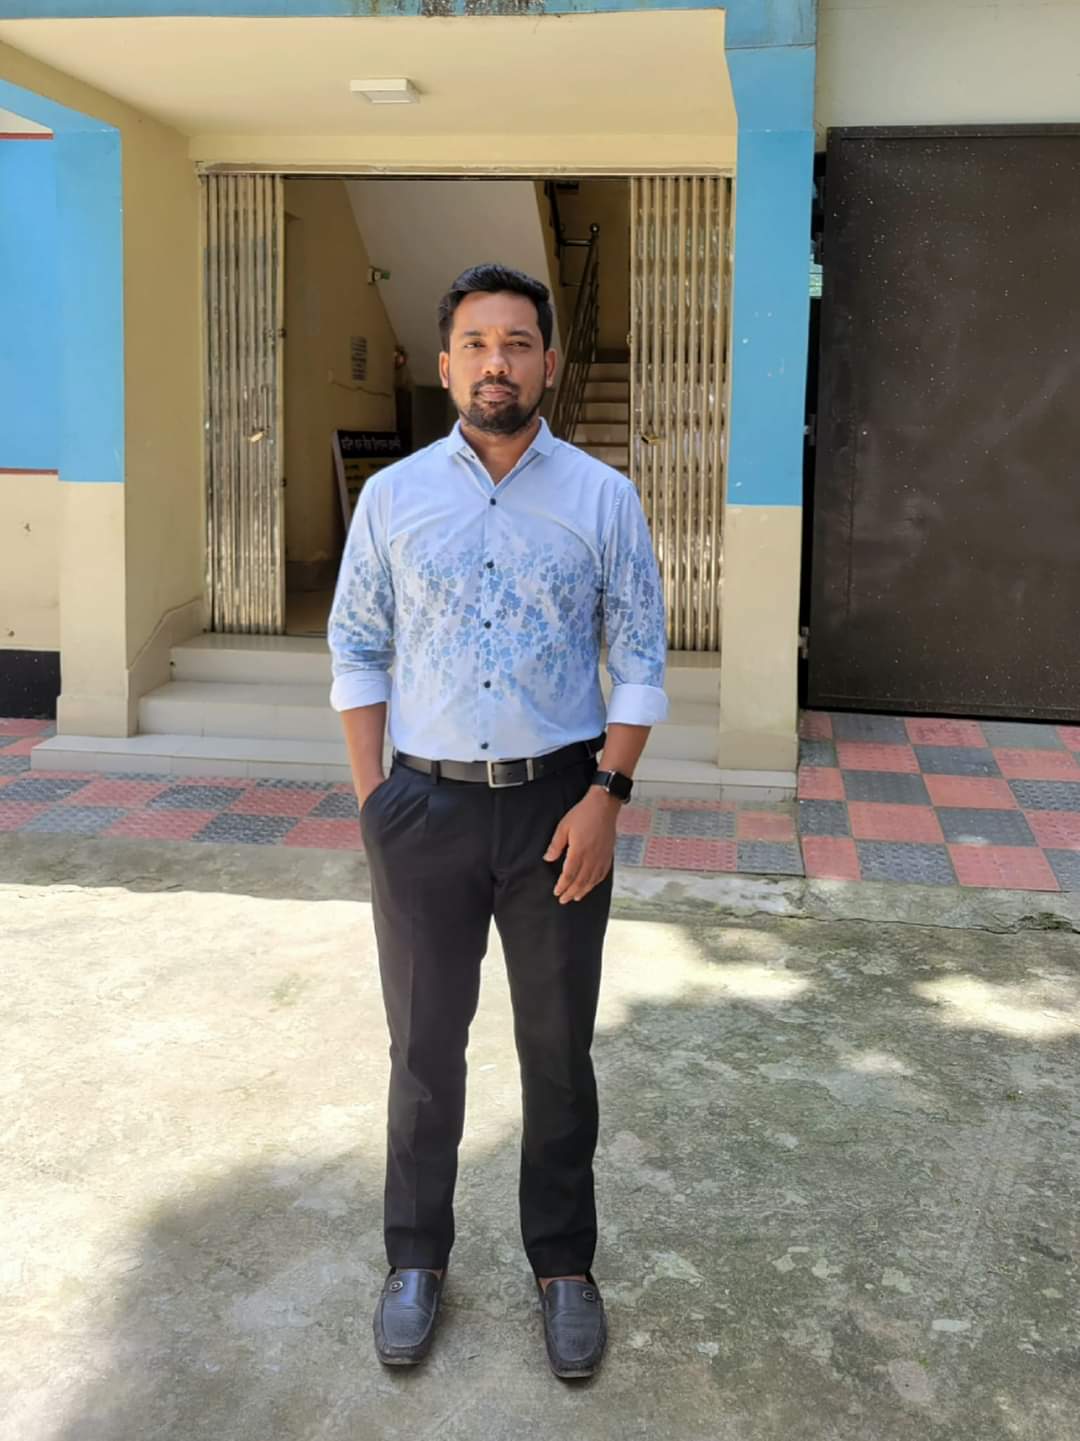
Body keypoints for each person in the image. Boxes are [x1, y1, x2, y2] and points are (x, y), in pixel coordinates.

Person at [328, 263, 667, 1379]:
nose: (496, 363)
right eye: (475, 343)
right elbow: (357, 646)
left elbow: (641, 659)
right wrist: (376, 800)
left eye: (517, 343)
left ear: (549, 364)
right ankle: (414, 1259)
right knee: (425, 1049)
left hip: (560, 810)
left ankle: (564, 1266)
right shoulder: (393, 499)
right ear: (445, 364)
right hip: (422, 808)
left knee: (557, 1049)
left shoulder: (602, 499)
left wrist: (607, 796)